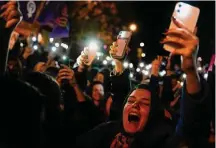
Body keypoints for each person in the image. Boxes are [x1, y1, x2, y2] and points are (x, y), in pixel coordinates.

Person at [76, 16, 212, 148]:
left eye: (145, 103)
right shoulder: (107, 131)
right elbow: (119, 94)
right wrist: (117, 62)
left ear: (153, 115)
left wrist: (190, 71)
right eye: (130, 101)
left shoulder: (160, 142)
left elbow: (191, 130)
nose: (135, 104)